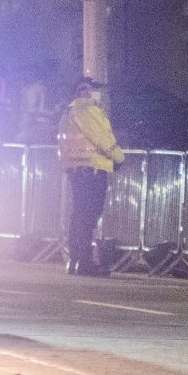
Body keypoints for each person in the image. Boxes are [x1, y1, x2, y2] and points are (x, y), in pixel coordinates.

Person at [56, 76, 123, 276]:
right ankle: (84, 262)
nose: (90, 92)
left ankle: (76, 260)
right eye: (87, 89)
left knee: (79, 215)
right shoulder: (87, 110)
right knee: (88, 216)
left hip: (77, 170)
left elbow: (62, 143)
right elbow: (103, 138)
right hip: (92, 170)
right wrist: (118, 157)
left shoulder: (68, 113)